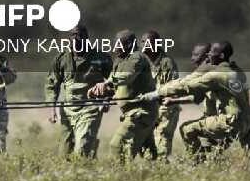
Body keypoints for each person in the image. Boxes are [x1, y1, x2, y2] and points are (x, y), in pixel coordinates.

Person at [144, 41, 250, 160]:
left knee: (186, 129)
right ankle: (207, 161)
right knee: (213, 150)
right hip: (244, 122)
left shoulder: (215, 75)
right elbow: (198, 95)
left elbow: (187, 85)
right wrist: (174, 101)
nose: (209, 55)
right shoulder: (235, 72)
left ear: (221, 56)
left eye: (212, 53)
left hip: (229, 121)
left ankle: (197, 161)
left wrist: (156, 93)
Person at [90, 30, 157, 162]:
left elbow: (127, 77)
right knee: (151, 155)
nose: (115, 47)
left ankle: (119, 176)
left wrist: (107, 83)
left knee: (117, 145)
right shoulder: (119, 61)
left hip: (141, 112)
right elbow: (114, 86)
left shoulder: (137, 58)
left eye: (119, 44)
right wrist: (99, 93)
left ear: (129, 45)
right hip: (131, 113)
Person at [44, 24, 110, 158]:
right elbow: (52, 84)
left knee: (82, 149)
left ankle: (87, 161)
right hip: (68, 109)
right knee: (64, 153)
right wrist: (52, 109)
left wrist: (106, 99)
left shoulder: (100, 57)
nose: (76, 39)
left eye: (79, 36)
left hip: (90, 108)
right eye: (73, 35)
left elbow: (114, 80)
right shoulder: (61, 59)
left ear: (86, 39)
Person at [141, 30, 181, 159]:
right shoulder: (142, 62)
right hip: (148, 107)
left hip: (165, 108)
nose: (144, 45)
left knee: (162, 141)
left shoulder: (167, 63)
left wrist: (155, 96)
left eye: (147, 42)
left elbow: (173, 88)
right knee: (143, 144)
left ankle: (161, 167)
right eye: (142, 42)